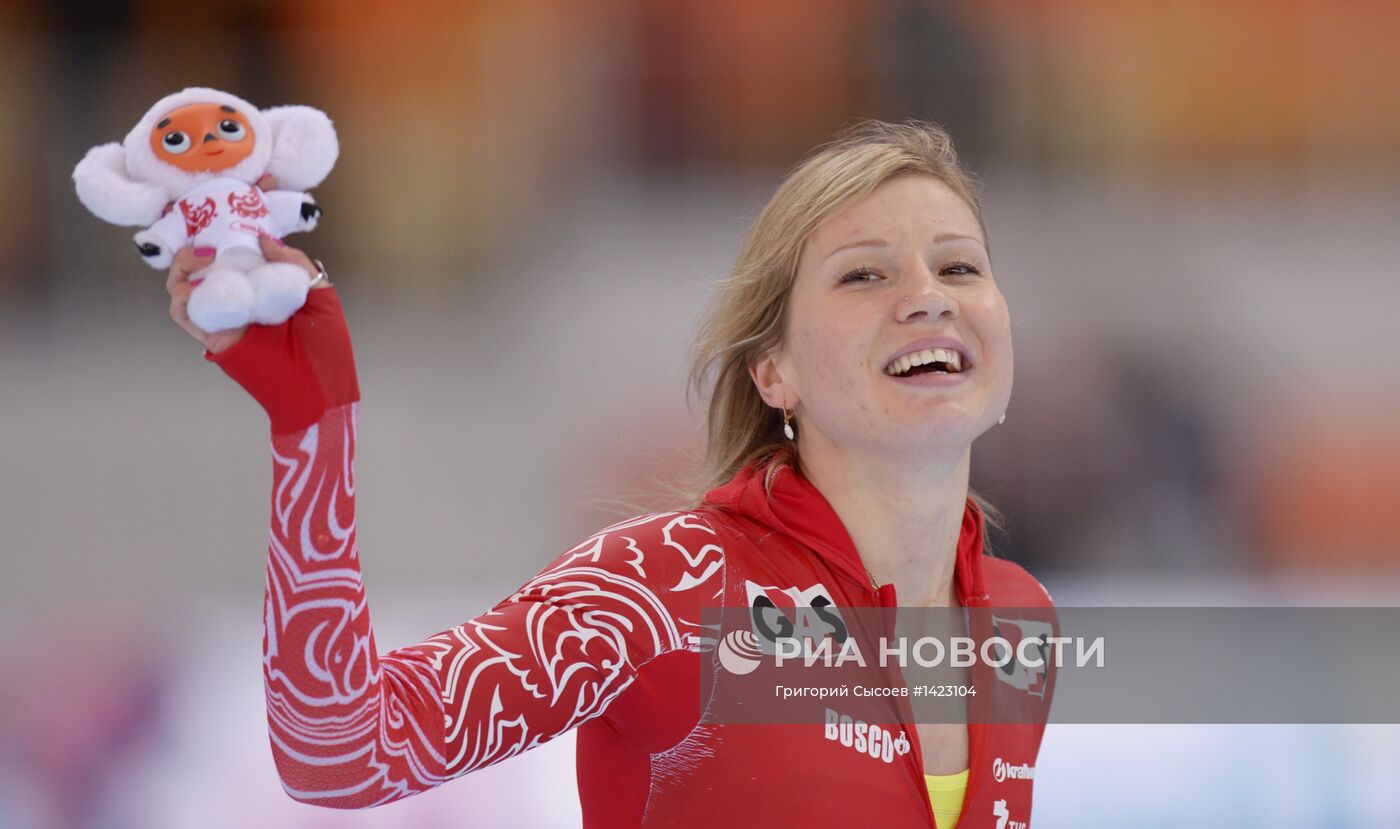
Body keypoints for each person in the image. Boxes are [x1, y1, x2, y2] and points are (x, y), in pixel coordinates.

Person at [166, 121, 1054, 828]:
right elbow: (340, 750)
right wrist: (310, 426)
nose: (928, 294)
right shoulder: (668, 591)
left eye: (960, 265)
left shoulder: (1021, 625)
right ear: (772, 370)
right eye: (864, 274)